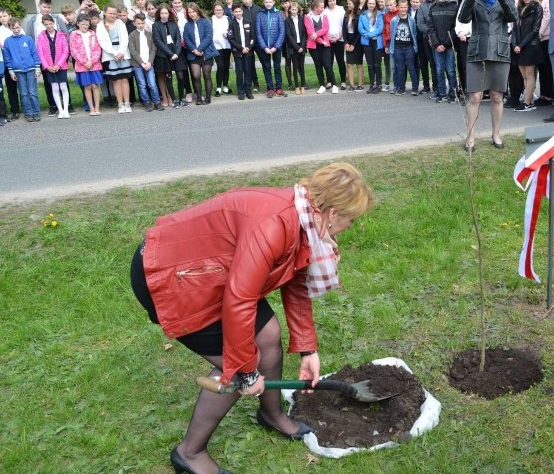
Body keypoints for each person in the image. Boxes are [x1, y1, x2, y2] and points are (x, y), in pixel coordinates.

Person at [130, 162, 373, 474]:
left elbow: (296, 282)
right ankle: (190, 453)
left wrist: (308, 349)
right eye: (352, 219)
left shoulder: (304, 220)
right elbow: (240, 300)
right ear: (331, 212)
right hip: (174, 279)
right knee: (245, 360)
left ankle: (271, 415)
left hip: (214, 274)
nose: (351, 226)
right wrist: (245, 372)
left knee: (268, 335)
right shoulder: (275, 223)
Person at [458, 0, 518, 151]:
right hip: (477, 51)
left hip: (499, 52)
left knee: (497, 96)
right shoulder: (473, 0)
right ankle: (470, 137)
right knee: (475, 96)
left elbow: (512, 17)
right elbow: (463, 19)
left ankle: (496, 134)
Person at [23, 0, 71, 116]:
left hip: (59, 55)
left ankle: (67, 105)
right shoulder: (32, 21)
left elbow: (65, 34)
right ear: (39, 5)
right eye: (44, 7)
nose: (47, 9)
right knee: (48, 82)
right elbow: (29, 38)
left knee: (63, 82)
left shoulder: (56, 18)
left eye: (49, 7)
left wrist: (67, 57)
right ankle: (53, 105)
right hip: (43, 56)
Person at [2, 17, 43, 122]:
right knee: (24, 93)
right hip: (18, 71)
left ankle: (36, 112)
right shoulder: (8, 42)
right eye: (13, 28)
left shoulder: (28, 39)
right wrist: (11, 72)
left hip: (31, 69)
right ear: (10, 28)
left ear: (20, 26)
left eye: (18, 27)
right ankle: (28, 113)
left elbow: (34, 53)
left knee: (32, 92)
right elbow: (7, 58)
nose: (16, 30)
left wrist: (37, 68)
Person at [511, 0, 544, 112]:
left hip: (530, 45)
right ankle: (528, 100)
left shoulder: (537, 8)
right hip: (519, 46)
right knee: (523, 75)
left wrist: (521, 45)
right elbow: (515, 28)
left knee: (529, 75)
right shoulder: (519, 8)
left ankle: (527, 102)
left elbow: (535, 30)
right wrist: (515, 44)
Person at [97, 4, 133, 113]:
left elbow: (125, 38)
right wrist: (115, 53)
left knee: (124, 79)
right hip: (110, 54)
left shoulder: (120, 23)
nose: (112, 15)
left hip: (123, 53)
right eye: (110, 13)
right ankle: (120, 104)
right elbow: (102, 41)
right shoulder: (100, 25)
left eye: (114, 13)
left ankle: (127, 103)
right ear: (105, 13)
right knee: (116, 80)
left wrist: (121, 52)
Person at [426, 0, 459, 103]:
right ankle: (441, 93)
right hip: (437, 46)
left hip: (449, 45)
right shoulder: (434, 7)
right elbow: (431, 27)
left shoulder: (455, 8)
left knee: (450, 70)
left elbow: (455, 28)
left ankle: (453, 93)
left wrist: (445, 44)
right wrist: (437, 44)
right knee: (439, 70)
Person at [152, 4, 188, 109]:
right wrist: (170, 54)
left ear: (169, 13)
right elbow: (158, 41)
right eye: (162, 13)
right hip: (164, 55)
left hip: (177, 53)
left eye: (166, 13)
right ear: (159, 14)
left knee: (181, 77)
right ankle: (174, 100)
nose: (164, 15)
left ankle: (181, 98)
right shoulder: (156, 25)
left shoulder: (173, 24)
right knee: (168, 78)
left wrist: (176, 53)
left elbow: (178, 39)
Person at [36, 14, 71, 119]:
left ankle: (66, 109)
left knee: (63, 87)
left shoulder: (61, 35)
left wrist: (59, 64)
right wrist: (46, 66)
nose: (49, 26)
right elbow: (40, 53)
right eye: (46, 24)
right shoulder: (41, 36)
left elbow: (66, 51)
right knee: (54, 88)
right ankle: (60, 110)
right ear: (43, 25)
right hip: (49, 67)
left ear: (53, 23)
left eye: (50, 24)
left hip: (61, 66)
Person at [68, 13, 104, 116]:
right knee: (87, 86)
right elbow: (73, 50)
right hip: (82, 65)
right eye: (83, 24)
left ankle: (97, 107)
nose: (85, 26)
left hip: (94, 64)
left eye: (87, 24)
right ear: (78, 24)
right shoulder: (74, 34)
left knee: (95, 85)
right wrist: (84, 62)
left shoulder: (92, 34)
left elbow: (97, 49)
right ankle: (91, 108)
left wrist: (92, 61)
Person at [129, 13, 163, 111]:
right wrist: (142, 63)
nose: (141, 25)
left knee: (152, 84)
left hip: (149, 63)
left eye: (142, 23)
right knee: (142, 84)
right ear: (134, 23)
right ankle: (147, 102)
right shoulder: (132, 35)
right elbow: (133, 50)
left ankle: (157, 102)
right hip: (138, 64)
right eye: (138, 23)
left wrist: (149, 62)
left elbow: (153, 49)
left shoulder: (149, 35)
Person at [387, 0, 419, 96]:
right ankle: (401, 88)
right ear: (398, 8)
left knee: (411, 68)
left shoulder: (411, 20)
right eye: (401, 7)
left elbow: (414, 33)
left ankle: (415, 88)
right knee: (400, 69)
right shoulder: (394, 20)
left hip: (409, 47)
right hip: (398, 48)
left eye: (405, 7)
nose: (403, 9)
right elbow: (393, 33)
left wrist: (414, 47)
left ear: (407, 7)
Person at [256, 0, 285, 98]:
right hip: (265, 48)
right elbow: (258, 33)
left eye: (270, 2)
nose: (268, 4)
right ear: (263, 3)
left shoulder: (278, 14)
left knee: (277, 67)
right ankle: (270, 88)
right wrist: (265, 47)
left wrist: (275, 46)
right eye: (266, 2)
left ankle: (279, 88)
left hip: (276, 47)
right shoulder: (260, 15)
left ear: (273, 2)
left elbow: (282, 32)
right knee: (267, 68)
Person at [305, 0, 337, 94]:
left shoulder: (324, 16)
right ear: (315, 7)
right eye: (321, 7)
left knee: (327, 65)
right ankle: (322, 85)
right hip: (314, 46)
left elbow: (326, 28)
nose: (323, 8)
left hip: (325, 45)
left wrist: (318, 36)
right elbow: (310, 32)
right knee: (318, 66)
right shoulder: (307, 17)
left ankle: (334, 85)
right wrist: (321, 41)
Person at [532, 0, 554, 106]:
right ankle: (544, 94)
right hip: (536, 39)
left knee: (547, 67)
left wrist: (539, 33)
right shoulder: (534, 0)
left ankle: (549, 95)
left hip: (544, 37)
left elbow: (546, 17)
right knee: (541, 68)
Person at [0, 7, 19, 121]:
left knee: (24, 86)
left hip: (19, 60)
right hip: (7, 60)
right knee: (11, 87)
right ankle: (15, 110)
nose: (3, 18)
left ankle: (28, 107)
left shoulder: (16, 27)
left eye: (4, 16)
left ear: (9, 15)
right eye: (0, 17)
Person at [228, 4, 255, 101]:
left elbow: (252, 37)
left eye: (239, 11)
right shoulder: (231, 23)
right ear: (233, 13)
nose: (238, 13)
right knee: (239, 72)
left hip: (248, 52)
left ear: (242, 11)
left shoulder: (248, 21)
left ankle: (248, 90)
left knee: (248, 71)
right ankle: (241, 92)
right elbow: (231, 39)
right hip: (238, 53)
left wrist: (248, 47)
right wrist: (241, 48)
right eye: (236, 12)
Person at [359, 0, 385, 94]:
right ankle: (371, 85)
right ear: (367, 4)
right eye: (369, 3)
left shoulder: (379, 14)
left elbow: (380, 28)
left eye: (373, 3)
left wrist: (374, 35)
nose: (371, 5)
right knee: (370, 65)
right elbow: (360, 28)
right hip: (367, 42)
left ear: (376, 5)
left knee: (377, 64)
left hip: (377, 42)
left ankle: (378, 85)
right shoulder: (362, 15)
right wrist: (370, 36)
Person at [454, 0, 475, 93]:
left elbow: (476, 19)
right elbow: (459, 18)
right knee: (463, 64)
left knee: (473, 66)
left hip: (473, 36)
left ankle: (474, 89)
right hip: (462, 37)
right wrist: (460, 32)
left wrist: (467, 32)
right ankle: (464, 88)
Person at [239, 0, 262, 92]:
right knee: (250, 64)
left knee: (265, 62)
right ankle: (255, 82)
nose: (246, 1)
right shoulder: (240, 10)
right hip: (248, 42)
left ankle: (270, 84)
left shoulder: (258, 9)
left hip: (259, 41)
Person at [323, 0, 347, 90]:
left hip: (339, 39)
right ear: (327, 2)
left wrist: (338, 37)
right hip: (328, 39)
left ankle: (343, 81)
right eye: (330, 1)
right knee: (329, 61)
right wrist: (328, 38)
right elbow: (323, 26)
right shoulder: (324, 11)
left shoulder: (341, 9)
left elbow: (344, 25)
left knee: (340, 60)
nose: (332, 2)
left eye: (333, 0)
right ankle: (329, 81)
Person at [283, 1, 307, 95]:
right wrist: (297, 47)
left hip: (301, 45)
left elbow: (304, 34)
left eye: (295, 9)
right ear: (289, 10)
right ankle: (297, 86)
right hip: (293, 47)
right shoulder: (287, 20)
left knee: (301, 67)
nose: (293, 11)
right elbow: (288, 35)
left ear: (298, 10)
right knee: (295, 66)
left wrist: (302, 46)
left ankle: (303, 85)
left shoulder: (301, 19)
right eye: (292, 9)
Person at [343, 0, 364, 91]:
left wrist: (354, 45)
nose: (348, 5)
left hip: (357, 42)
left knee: (359, 64)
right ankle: (351, 85)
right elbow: (343, 30)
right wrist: (346, 43)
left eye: (349, 3)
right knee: (349, 64)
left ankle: (360, 84)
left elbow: (360, 32)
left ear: (355, 4)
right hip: (349, 41)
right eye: (347, 3)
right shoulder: (346, 15)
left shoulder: (360, 15)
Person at [211, 3, 231, 96]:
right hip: (216, 46)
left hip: (227, 45)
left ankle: (225, 86)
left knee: (226, 66)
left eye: (220, 10)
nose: (218, 11)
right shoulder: (211, 20)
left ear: (223, 10)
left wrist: (228, 35)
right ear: (214, 11)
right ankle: (218, 87)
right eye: (216, 10)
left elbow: (231, 31)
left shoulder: (228, 19)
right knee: (220, 65)